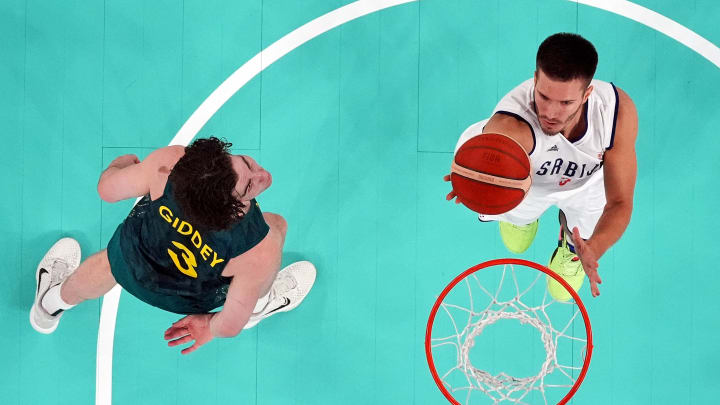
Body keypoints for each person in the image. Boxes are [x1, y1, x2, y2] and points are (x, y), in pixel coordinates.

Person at [30, 137, 316, 355]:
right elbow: (229, 326)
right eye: (249, 186)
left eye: (247, 163)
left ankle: (48, 307)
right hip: (188, 296)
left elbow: (106, 189)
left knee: (108, 264)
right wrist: (209, 327)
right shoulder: (256, 247)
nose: (263, 176)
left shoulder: (169, 164)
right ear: (227, 211)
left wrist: (120, 165)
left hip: (137, 258)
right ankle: (257, 306)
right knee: (276, 226)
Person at [445, 33, 638, 301]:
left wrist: (594, 248)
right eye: (544, 96)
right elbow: (488, 147)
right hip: (526, 184)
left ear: (587, 94)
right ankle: (524, 219)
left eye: (566, 103)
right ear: (535, 79)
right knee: (516, 244)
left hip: (586, 186)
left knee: (562, 293)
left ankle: (570, 247)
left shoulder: (615, 113)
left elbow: (620, 201)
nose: (550, 112)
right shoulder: (512, 127)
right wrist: (475, 179)